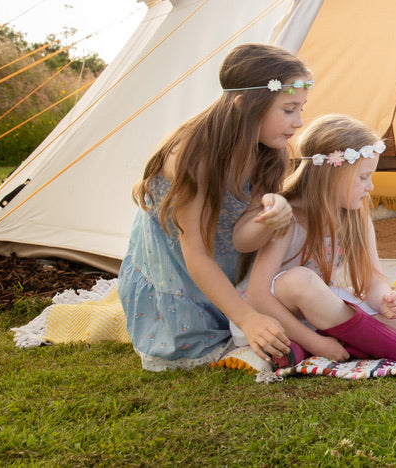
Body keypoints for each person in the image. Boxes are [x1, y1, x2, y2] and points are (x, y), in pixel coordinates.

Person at [118, 43, 313, 371]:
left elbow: (242, 240)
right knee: (193, 347)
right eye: (289, 109)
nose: (299, 122)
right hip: (176, 264)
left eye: (301, 108)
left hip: (221, 259)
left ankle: (233, 312)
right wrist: (248, 318)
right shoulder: (191, 159)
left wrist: (268, 218)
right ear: (245, 105)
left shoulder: (269, 153)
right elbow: (195, 255)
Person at [238, 113, 396, 369]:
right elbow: (258, 297)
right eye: (362, 178)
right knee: (299, 279)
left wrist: (384, 299)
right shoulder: (287, 218)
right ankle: (392, 345)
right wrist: (316, 342)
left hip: (322, 313)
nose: (370, 186)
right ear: (331, 175)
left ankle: (302, 347)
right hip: (276, 312)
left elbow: (372, 276)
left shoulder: (356, 214)